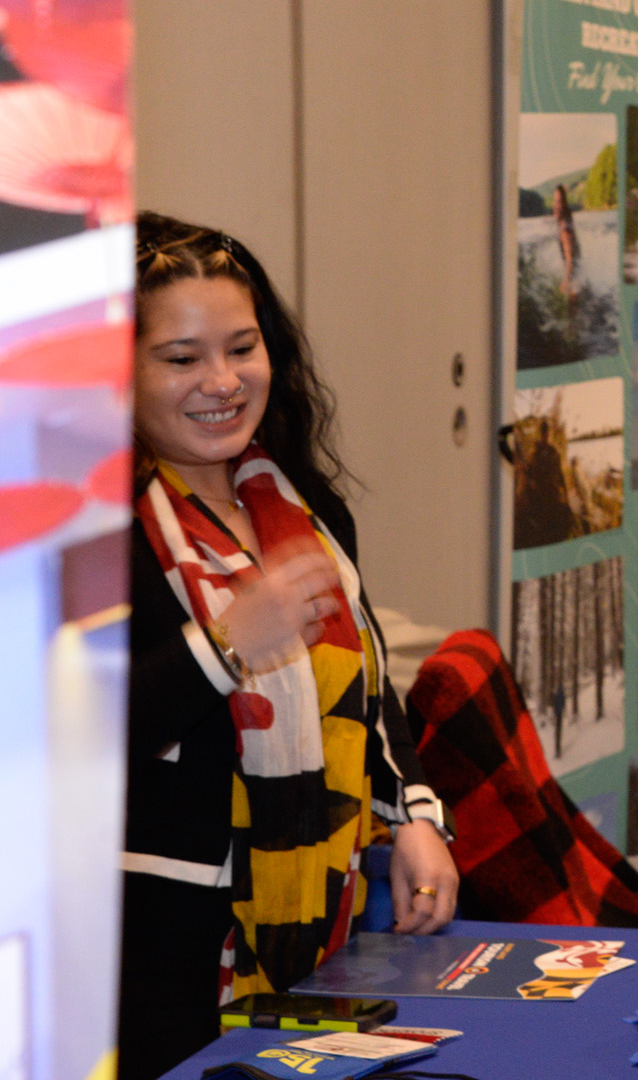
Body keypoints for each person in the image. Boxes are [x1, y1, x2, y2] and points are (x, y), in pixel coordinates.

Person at [123, 213, 459, 1079]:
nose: (223, 381)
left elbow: (367, 684)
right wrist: (228, 643)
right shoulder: (86, 537)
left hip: (324, 943)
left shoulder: (303, 505)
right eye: (182, 357)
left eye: (243, 347)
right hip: (154, 973)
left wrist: (414, 816)